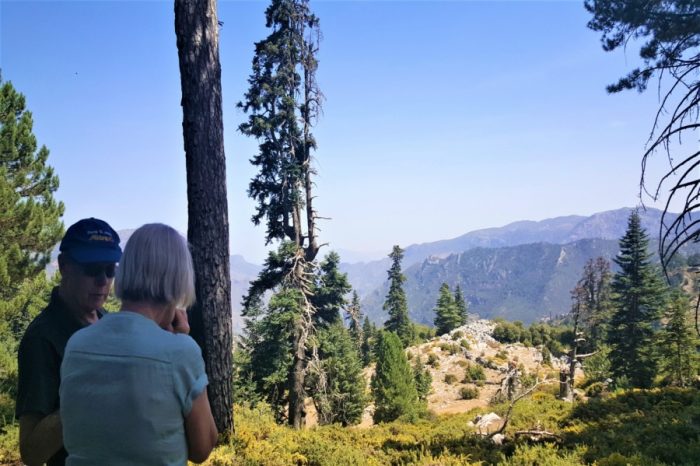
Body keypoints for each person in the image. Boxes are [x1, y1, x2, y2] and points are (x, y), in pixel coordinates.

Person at [59, 223, 217, 465]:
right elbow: (202, 448)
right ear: (178, 280)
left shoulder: (76, 344)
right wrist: (184, 342)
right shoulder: (180, 352)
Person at [16, 218, 123, 466]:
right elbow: (31, 452)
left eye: (110, 270)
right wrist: (89, 391)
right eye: (92, 268)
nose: (103, 280)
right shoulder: (42, 339)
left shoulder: (109, 321)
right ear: (64, 266)